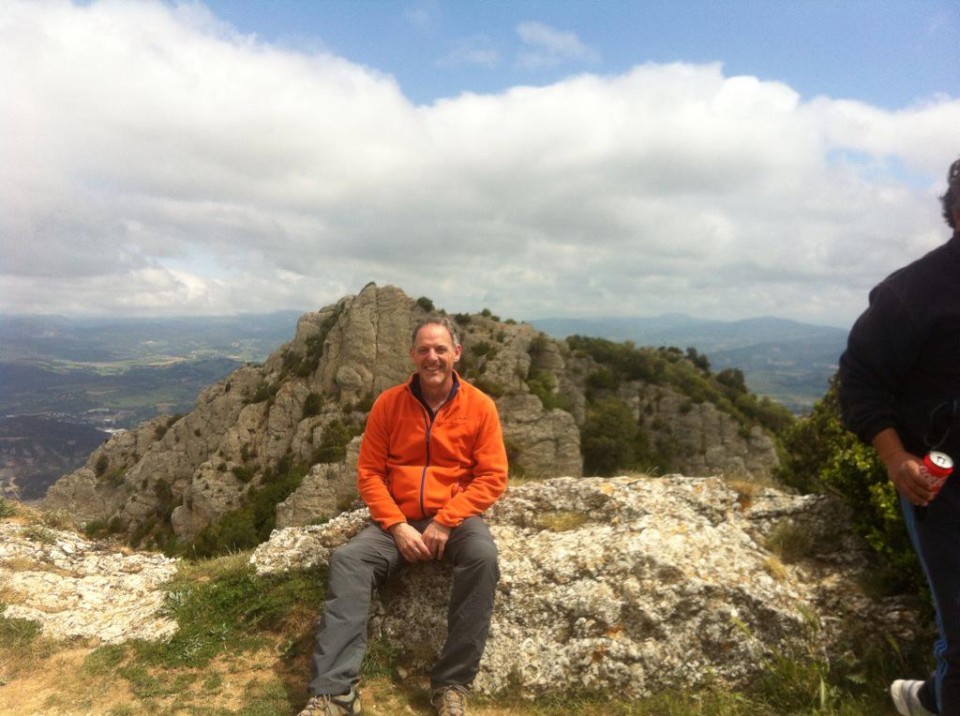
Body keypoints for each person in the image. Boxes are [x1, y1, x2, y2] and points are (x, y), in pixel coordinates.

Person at [299, 316, 509, 716]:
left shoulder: (480, 406)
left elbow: (492, 476)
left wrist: (446, 520)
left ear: (456, 354)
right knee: (349, 560)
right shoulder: (388, 404)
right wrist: (396, 525)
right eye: (425, 350)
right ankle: (335, 693)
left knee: (483, 558)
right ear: (412, 355)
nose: (433, 357)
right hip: (397, 518)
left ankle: (452, 685)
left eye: (441, 349)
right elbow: (370, 474)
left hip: (456, 518)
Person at [839, 156, 960, 716]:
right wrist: (895, 459)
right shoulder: (912, 293)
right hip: (942, 490)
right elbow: (861, 384)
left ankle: (927, 698)